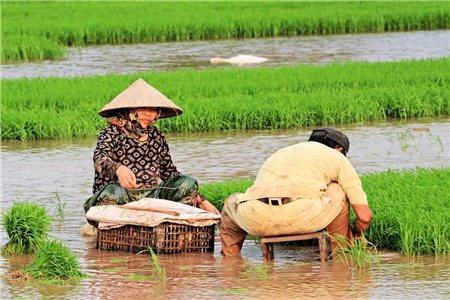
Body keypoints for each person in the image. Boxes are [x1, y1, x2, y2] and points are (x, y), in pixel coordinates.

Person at [83, 78, 219, 231]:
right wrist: (118, 170)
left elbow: (170, 173)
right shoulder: (111, 132)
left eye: (153, 109)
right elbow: (99, 159)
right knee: (114, 192)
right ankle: (118, 230)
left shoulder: (156, 136)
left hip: (151, 199)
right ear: (131, 110)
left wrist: (201, 199)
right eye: (142, 109)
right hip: (119, 197)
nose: (148, 113)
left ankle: (177, 229)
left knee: (187, 182)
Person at [220, 127, 372, 257]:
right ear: (339, 150)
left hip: (256, 218)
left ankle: (230, 261)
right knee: (337, 189)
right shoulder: (336, 157)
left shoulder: (282, 153)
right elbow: (364, 217)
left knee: (231, 203)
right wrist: (358, 235)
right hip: (304, 215)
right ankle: (341, 252)